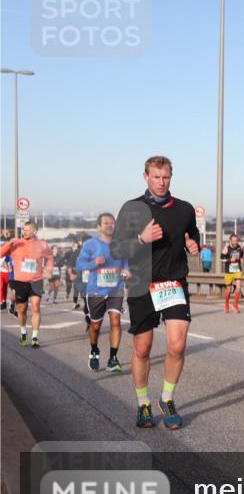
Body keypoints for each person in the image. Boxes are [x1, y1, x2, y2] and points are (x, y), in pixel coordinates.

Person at [111, 155, 200, 430]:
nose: (161, 182)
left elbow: (193, 234)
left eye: (166, 177)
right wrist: (141, 239)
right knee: (142, 348)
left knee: (177, 345)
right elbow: (116, 250)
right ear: (146, 177)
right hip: (141, 284)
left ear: (171, 177)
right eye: (156, 177)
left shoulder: (184, 209)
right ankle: (143, 403)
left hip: (173, 283)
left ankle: (167, 399)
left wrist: (193, 244)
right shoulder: (132, 209)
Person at [76, 213, 129, 372]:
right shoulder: (91, 245)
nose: (109, 225)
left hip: (116, 289)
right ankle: (94, 350)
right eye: (106, 223)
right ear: (99, 227)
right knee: (96, 326)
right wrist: (94, 263)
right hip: (96, 291)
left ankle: (113, 359)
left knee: (115, 321)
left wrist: (127, 270)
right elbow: (80, 265)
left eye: (112, 223)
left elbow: (125, 263)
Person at [1, 220, 54, 348]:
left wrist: (48, 270)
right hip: (20, 281)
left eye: (28, 229)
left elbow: (50, 258)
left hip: (36, 280)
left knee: (36, 306)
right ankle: (23, 332)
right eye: (24, 229)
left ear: (34, 230)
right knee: (22, 309)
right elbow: (1, 253)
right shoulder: (16, 244)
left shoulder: (42, 244)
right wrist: (9, 243)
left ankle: (35, 337)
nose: (25, 231)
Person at [220, 234, 244, 313]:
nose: (235, 242)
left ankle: (235, 305)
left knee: (238, 287)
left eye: (236, 240)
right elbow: (221, 259)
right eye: (233, 240)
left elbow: (241, 255)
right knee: (228, 290)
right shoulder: (226, 248)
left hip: (237, 270)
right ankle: (226, 304)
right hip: (229, 271)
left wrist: (241, 258)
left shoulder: (239, 247)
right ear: (230, 240)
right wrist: (230, 260)